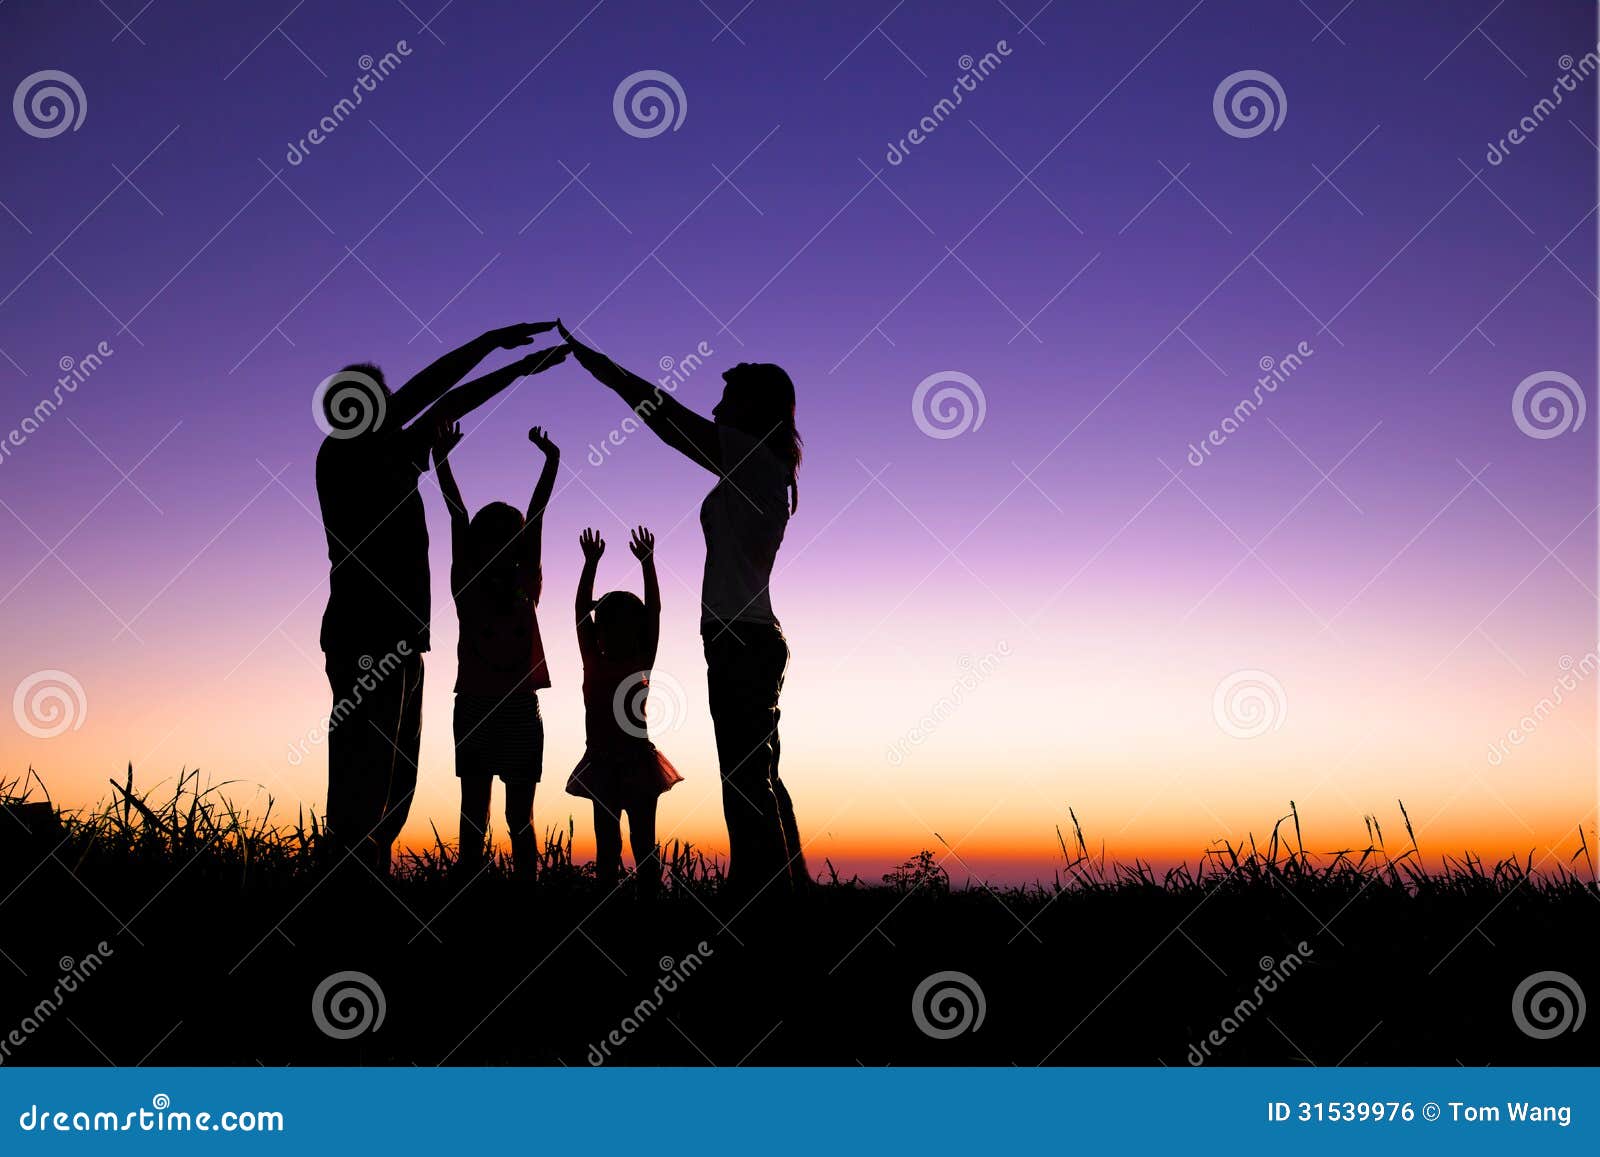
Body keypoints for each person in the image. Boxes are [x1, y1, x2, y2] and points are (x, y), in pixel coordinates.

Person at [556, 321, 804, 898]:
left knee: (745, 779)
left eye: (727, 400)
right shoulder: (758, 465)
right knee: (759, 774)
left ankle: (756, 896)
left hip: (742, 639)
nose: (716, 408)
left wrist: (603, 368)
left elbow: (667, 420)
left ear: (751, 410)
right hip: (743, 636)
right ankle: (784, 890)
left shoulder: (752, 460)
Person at [315, 324, 567, 872]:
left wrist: (505, 360)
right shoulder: (343, 455)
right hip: (366, 633)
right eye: (382, 404)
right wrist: (494, 349)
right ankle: (347, 879)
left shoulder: (393, 454)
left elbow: (442, 403)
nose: (397, 412)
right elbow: (440, 395)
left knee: (395, 771)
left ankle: (366, 875)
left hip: (403, 639)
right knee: (367, 764)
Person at [435, 422, 561, 879]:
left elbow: (533, 513)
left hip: (504, 710)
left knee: (499, 818)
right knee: (488, 817)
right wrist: (442, 458)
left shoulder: (518, 584)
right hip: (490, 710)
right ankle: (491, 892)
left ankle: (509, 891)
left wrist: (551, 462)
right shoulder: (475, 584)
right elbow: (458, 515)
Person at [566, 526, 682, 897]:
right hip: (602, 762)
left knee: (643, 841)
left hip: (635, 762)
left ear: (636, 633)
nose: (614, 635)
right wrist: (589, 565)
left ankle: (647, 898)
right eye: (608, 627)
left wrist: (649, 564)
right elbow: (581, 611)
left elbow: (655, 612)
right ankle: (607, 898)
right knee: (607, 842)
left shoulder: (639, 662)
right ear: (599, 634)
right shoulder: (594, 662)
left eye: (625, 627)